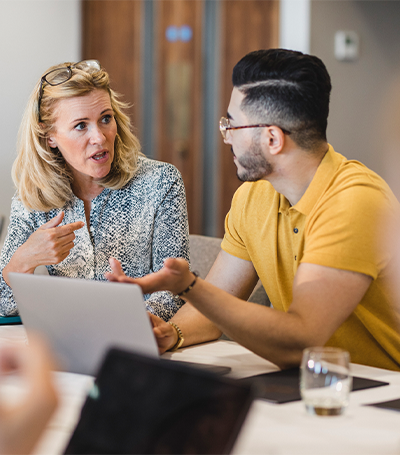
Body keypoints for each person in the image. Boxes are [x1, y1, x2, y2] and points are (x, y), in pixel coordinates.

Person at [107, 48, 400, 371]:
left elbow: (300, 343)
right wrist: (171, 333)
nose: (227, 138)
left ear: (272, 139)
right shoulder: (254, 196)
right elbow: (217, 306)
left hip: (382, 392)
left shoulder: (354, 201)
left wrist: (188, 285)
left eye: (232, 126)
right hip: (313, 381)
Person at [0, 60, 189, 320]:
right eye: (81, 125)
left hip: (142, 342)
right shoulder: (35, 196)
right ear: (50, 137)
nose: (99, 137)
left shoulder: (160, 181)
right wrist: (25, 260)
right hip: (66, 342)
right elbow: (1, 303)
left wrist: (132, 326)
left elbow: (175, 287)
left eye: (105, 119)